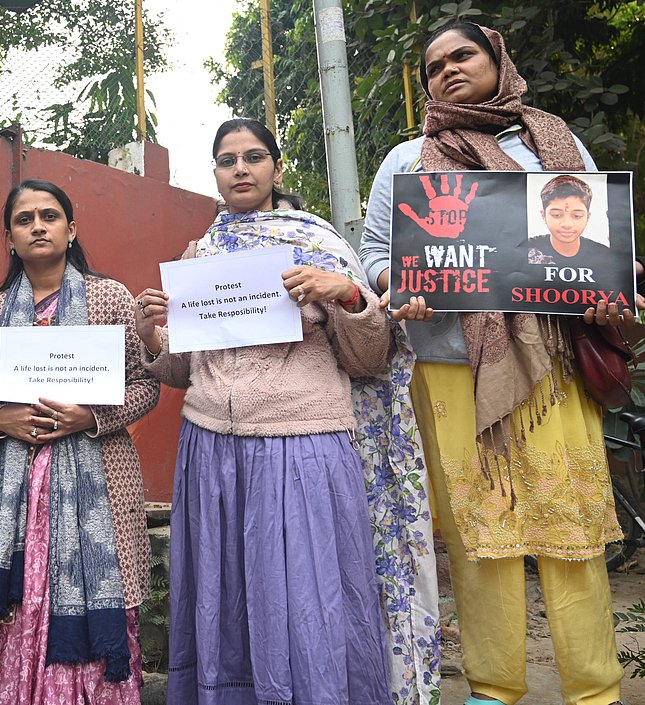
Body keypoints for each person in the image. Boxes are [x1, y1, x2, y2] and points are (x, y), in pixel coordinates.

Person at [361, 21, 639, 705]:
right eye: (433, 66)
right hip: (453, 369)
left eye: (463, 55)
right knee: (480, 538)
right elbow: (373, 252)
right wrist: (397, 285)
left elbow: (594, 235)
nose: (448, 70)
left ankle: (595, 689)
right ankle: (492, 687)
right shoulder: (406, 160)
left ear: (497, 60)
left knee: (568, 523)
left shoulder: (554, 141)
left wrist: (610, 282)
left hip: (552, 364)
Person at [133, 118, 435, 705]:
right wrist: (153, 333)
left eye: (252, 157)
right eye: (227, 160)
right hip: (212, 447)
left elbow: (371, 360)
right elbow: (182, 371)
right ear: (215, 173)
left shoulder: (319, 245)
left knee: (305, 594)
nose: (240, 170)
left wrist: (347, 296)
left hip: (301, 445)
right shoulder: (200, 257)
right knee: (226, 596)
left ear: (276, 166)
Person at [0, 180, 160, 705]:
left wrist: (88, 416)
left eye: (50, 216)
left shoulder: (109, 298)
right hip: (11, 496)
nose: (38, 226)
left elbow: (145, 385)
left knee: (100, 591)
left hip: (100, 482)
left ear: (72, 230)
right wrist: (4, 420)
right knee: (21, 609)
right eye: (25, 220)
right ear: (9, 238)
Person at [526, 174, 613, 266]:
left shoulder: (604, 255)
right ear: (543, 216)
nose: (567, 224)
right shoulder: (525, 249)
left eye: (577, 216)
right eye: (557, 215)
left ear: (588, 217)